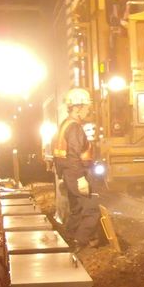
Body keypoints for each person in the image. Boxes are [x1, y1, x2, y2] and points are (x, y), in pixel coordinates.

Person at [53, 88, 100, 250]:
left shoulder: (65, 124)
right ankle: (79, 242)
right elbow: (73, 155)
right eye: (86, 107)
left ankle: (68, 238)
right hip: (77, 173)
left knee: (77, 209)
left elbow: (60, 155)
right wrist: (81, 179)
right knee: (91, 210)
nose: (88, 111)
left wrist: (64, 176)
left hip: (69, 173)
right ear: (77, 108)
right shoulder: (74, 128)